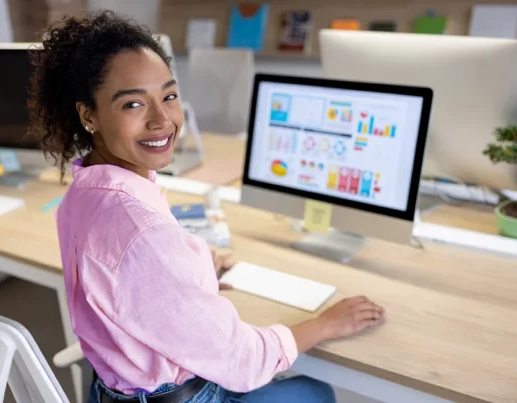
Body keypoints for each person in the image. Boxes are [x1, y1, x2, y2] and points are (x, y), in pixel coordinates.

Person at [27, 10, 385, 403]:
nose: (163, 120)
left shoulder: (84, 190)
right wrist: (324, 325)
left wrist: (187, 277)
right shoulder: (141, 232)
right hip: (180, 396)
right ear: (88, 115)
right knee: (314, 392)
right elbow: (243, 361)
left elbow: (124, 283)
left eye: (169, 96)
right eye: (133, 104)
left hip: (111, 391)